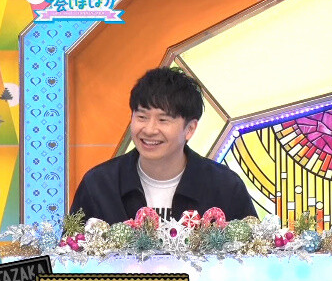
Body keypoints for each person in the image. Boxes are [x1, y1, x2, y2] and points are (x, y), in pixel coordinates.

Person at [71, 67, 257, 224]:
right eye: (142, 117)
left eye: (163, 120)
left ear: (190, 129)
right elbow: (71, 252)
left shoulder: (225, 187)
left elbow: (253, 253)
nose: (149, 129)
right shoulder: (99, 184)